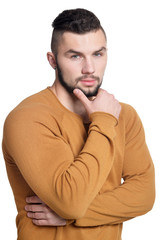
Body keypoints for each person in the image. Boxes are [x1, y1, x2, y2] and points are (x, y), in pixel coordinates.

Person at [2, 8, 155, 240]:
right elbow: (70, 201)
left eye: (97, 54)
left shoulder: (124, 115)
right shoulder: (28, 117)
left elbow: (144, 195)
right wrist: (103, 120)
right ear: (52, 60)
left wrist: (74, 216)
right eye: (75, 56)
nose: (89, 68)